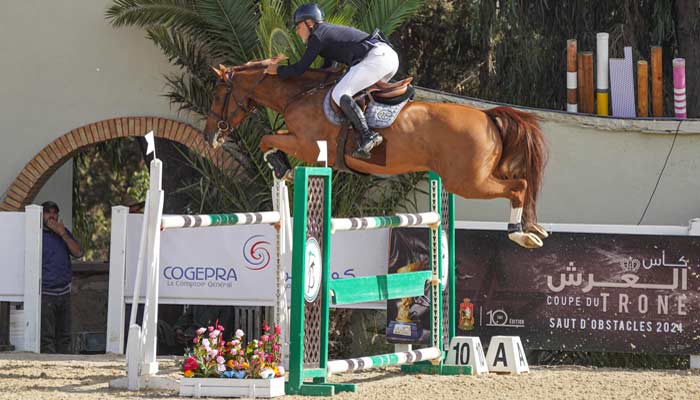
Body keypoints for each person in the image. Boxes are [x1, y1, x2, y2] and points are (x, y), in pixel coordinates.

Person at [264, 3, 399, 160]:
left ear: (310, 23)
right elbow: (328, 67)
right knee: (353, 95)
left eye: (298, 26)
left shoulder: (317, 36)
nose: (296, 30)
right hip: (386, 58)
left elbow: (300, 68)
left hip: (377, 58)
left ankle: (368, 135)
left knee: (340, 93)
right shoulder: (324, 34)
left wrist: (277, 70)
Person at [40, 201, 83, 353]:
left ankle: (63, 365)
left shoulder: (63, 233)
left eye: (54, 213)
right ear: (40, 215)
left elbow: (78, 253)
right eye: (48, 212)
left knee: (64, 335)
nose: (52, 216)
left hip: (64, 292)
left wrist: (63, 233)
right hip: (45, 293)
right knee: (46, 337)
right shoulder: (36, 235)